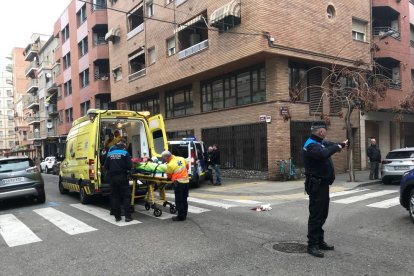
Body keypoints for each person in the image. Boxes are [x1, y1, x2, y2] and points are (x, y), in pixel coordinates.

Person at [302, 122, 348, 258]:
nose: (326, 132)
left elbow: (330, 144)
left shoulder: (319, 142)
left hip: (322, 185)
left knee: (323, 214)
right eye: (325, 130)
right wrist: (338, 146)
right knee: (316, 215)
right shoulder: (310, 145)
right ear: (320, 132)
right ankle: (312, 245)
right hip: (316, 185)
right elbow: (324, 154)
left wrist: (341, 143)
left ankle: (320, 241)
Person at [104, 138, 133, 222]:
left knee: (115, 197)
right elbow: (129, 166)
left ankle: (117, 217)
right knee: (126, 196)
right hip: (123, 177)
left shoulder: (110, 153)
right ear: (123, 144)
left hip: (113, 178)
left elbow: (106, 166)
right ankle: (127, 217)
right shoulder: (125, 152)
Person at [161, 150, 189, 222]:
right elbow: (187, 166)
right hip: (186, 181)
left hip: (178, 183)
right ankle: (184, 214)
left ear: (167, 157)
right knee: (184, 199)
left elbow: (169, 176)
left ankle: (180, 216)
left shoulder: (170, 165)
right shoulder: (181, 158)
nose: (163, 160)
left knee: (179, 200)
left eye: (163, 158)